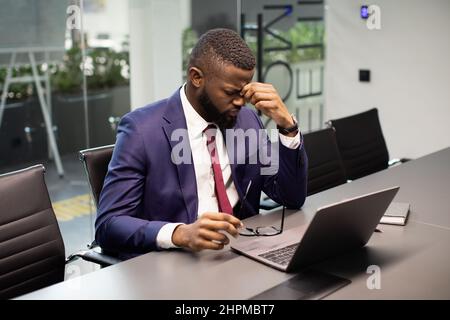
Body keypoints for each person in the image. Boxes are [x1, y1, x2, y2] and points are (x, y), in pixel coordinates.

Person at [95, 28, 308, 259]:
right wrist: (179, 233)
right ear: (196, 77)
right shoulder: (142, 130)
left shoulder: (246, 121)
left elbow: (291, 197)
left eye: (244, 92)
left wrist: (287, 125)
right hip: (176, 263)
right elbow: (109, 224)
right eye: (230, 92)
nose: (240, 102)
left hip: (242, 254)